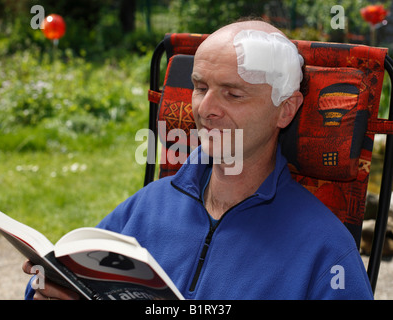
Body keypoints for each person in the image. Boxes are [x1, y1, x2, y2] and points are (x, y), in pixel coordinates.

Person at [23, 19, 374, 300]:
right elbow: (66, 278)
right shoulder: (147, 207)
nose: (206, 110)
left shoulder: (325, 250)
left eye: (233, 94)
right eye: (200, 87)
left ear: (285, 110)